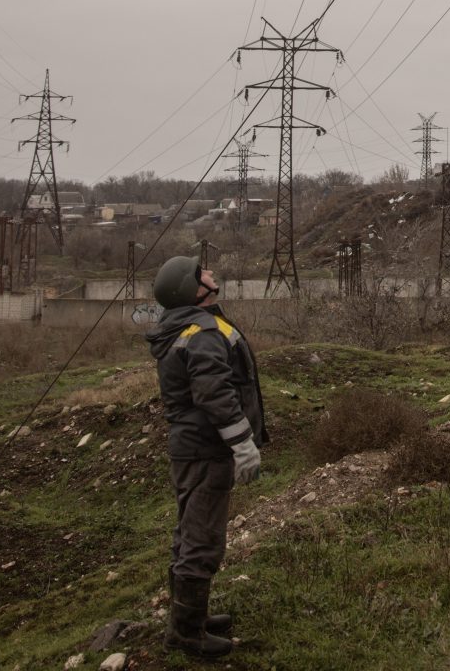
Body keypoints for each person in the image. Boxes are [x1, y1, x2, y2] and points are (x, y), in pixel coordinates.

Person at [147, 254, 268, 657]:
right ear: (193, 289)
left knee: (188, 533)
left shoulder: (183, 328)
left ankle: (190, 617)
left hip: (191, 448)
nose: (212, 273)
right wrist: (242, 443)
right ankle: (185, 633)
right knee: (202, 539)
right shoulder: (201, 332)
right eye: (204, 273)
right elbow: (214, 395)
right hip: (205, 449)